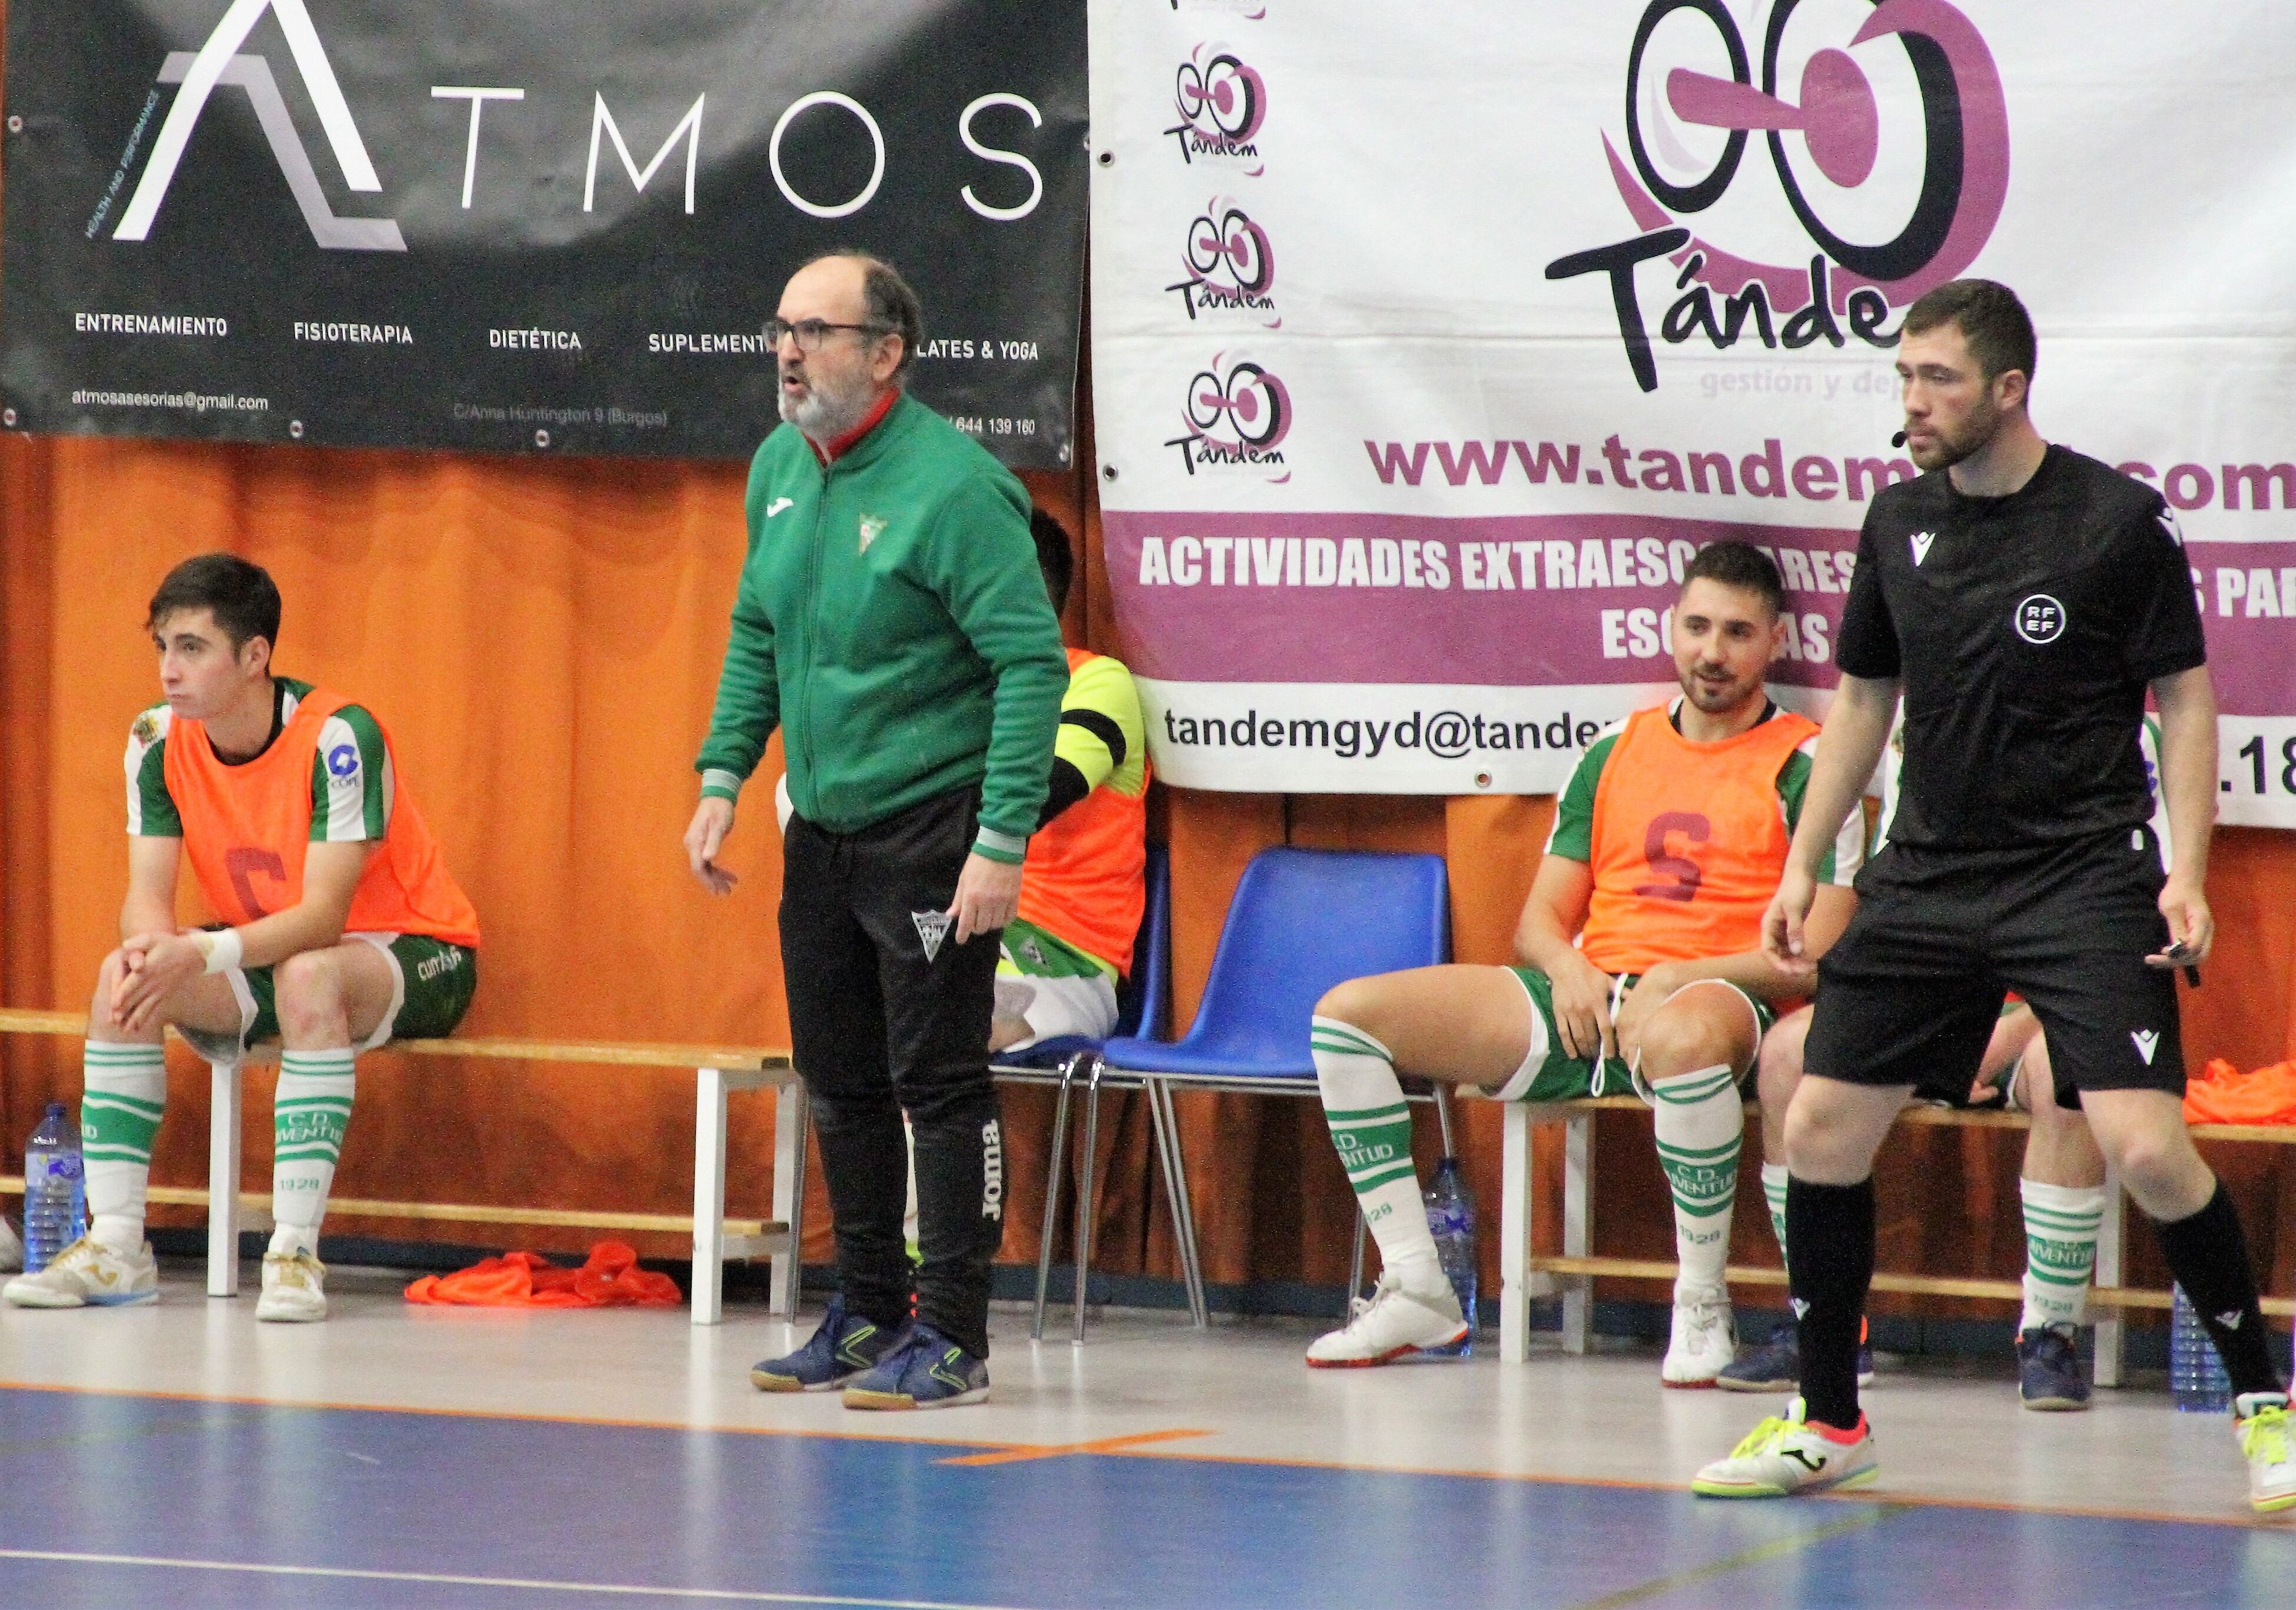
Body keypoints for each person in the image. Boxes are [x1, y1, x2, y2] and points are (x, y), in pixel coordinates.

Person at [1694, 280, 2292, 1515]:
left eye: (1939, 379)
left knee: (2144, 1143)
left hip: (2082, 872)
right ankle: (1828, 1417)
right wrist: (1808, 861)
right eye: (1904, 375)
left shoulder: (2117, 521)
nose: (1913, 400)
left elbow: (2183, 697)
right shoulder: (1895, 518)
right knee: (1816, 1129)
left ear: (2009, 388)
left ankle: (2265, 1403)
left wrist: (2184, 864)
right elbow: (1862, 699)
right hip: (1926, 874)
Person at [1303, 541, 1862, 1380]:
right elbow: (1537, 920)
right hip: (1590, 992)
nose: (1713, 651)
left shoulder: (1812, 762)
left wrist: (1676, 977)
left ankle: (1702, 1301)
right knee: (1347, 1017)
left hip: (1715, 1000)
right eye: (1699, 625)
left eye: (1738, 632)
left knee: (1682, 1039)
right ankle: (1420, 1286)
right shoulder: (1613, 749)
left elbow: (1818, 957)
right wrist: (1565, 965)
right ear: (1670, 626)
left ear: (1775, 641)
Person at [684, 251, 1066, 1410]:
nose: (788, 349)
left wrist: (999, 843)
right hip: (827, 825)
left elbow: (1029, 663)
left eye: (817, 328)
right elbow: (759, 623)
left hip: (934, 824)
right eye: (780, 326)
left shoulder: (954, 488)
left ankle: (953, 1334)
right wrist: (723, 770)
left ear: (886, 352)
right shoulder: (778, 467)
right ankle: (867, 1309)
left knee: (936, 1082)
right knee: (839, 1077)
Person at [4, 554, 480, 1322]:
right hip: (268, 949)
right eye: (162, 646)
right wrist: (154, 951)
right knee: (117, 976)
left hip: (414, 948)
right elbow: (146, 897)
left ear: (255, 655)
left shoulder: (339, 736)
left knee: (309, 977)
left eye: (192, 647)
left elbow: (325, 917)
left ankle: (293, 1251)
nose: (169, 669)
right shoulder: (155, 738)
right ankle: (117, 1243)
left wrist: (202, 951)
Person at [1718, 717, 2174, 1408]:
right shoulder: (1926, 717)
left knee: (2070, 1071)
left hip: (2051, 1001)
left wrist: (2007, 1027)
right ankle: (1828, 1328)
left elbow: (2140, 925)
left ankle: (2049, 1333)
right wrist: (1939, 1028)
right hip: (1931, 987)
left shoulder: (2121, 735)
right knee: (1787, 1053)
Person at [992, 507, 1150, 1053]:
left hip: (1068, 955)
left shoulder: (1099, 682)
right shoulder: (946, 691)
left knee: (937, 1014)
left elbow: (1031, 799)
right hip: (964, 930)